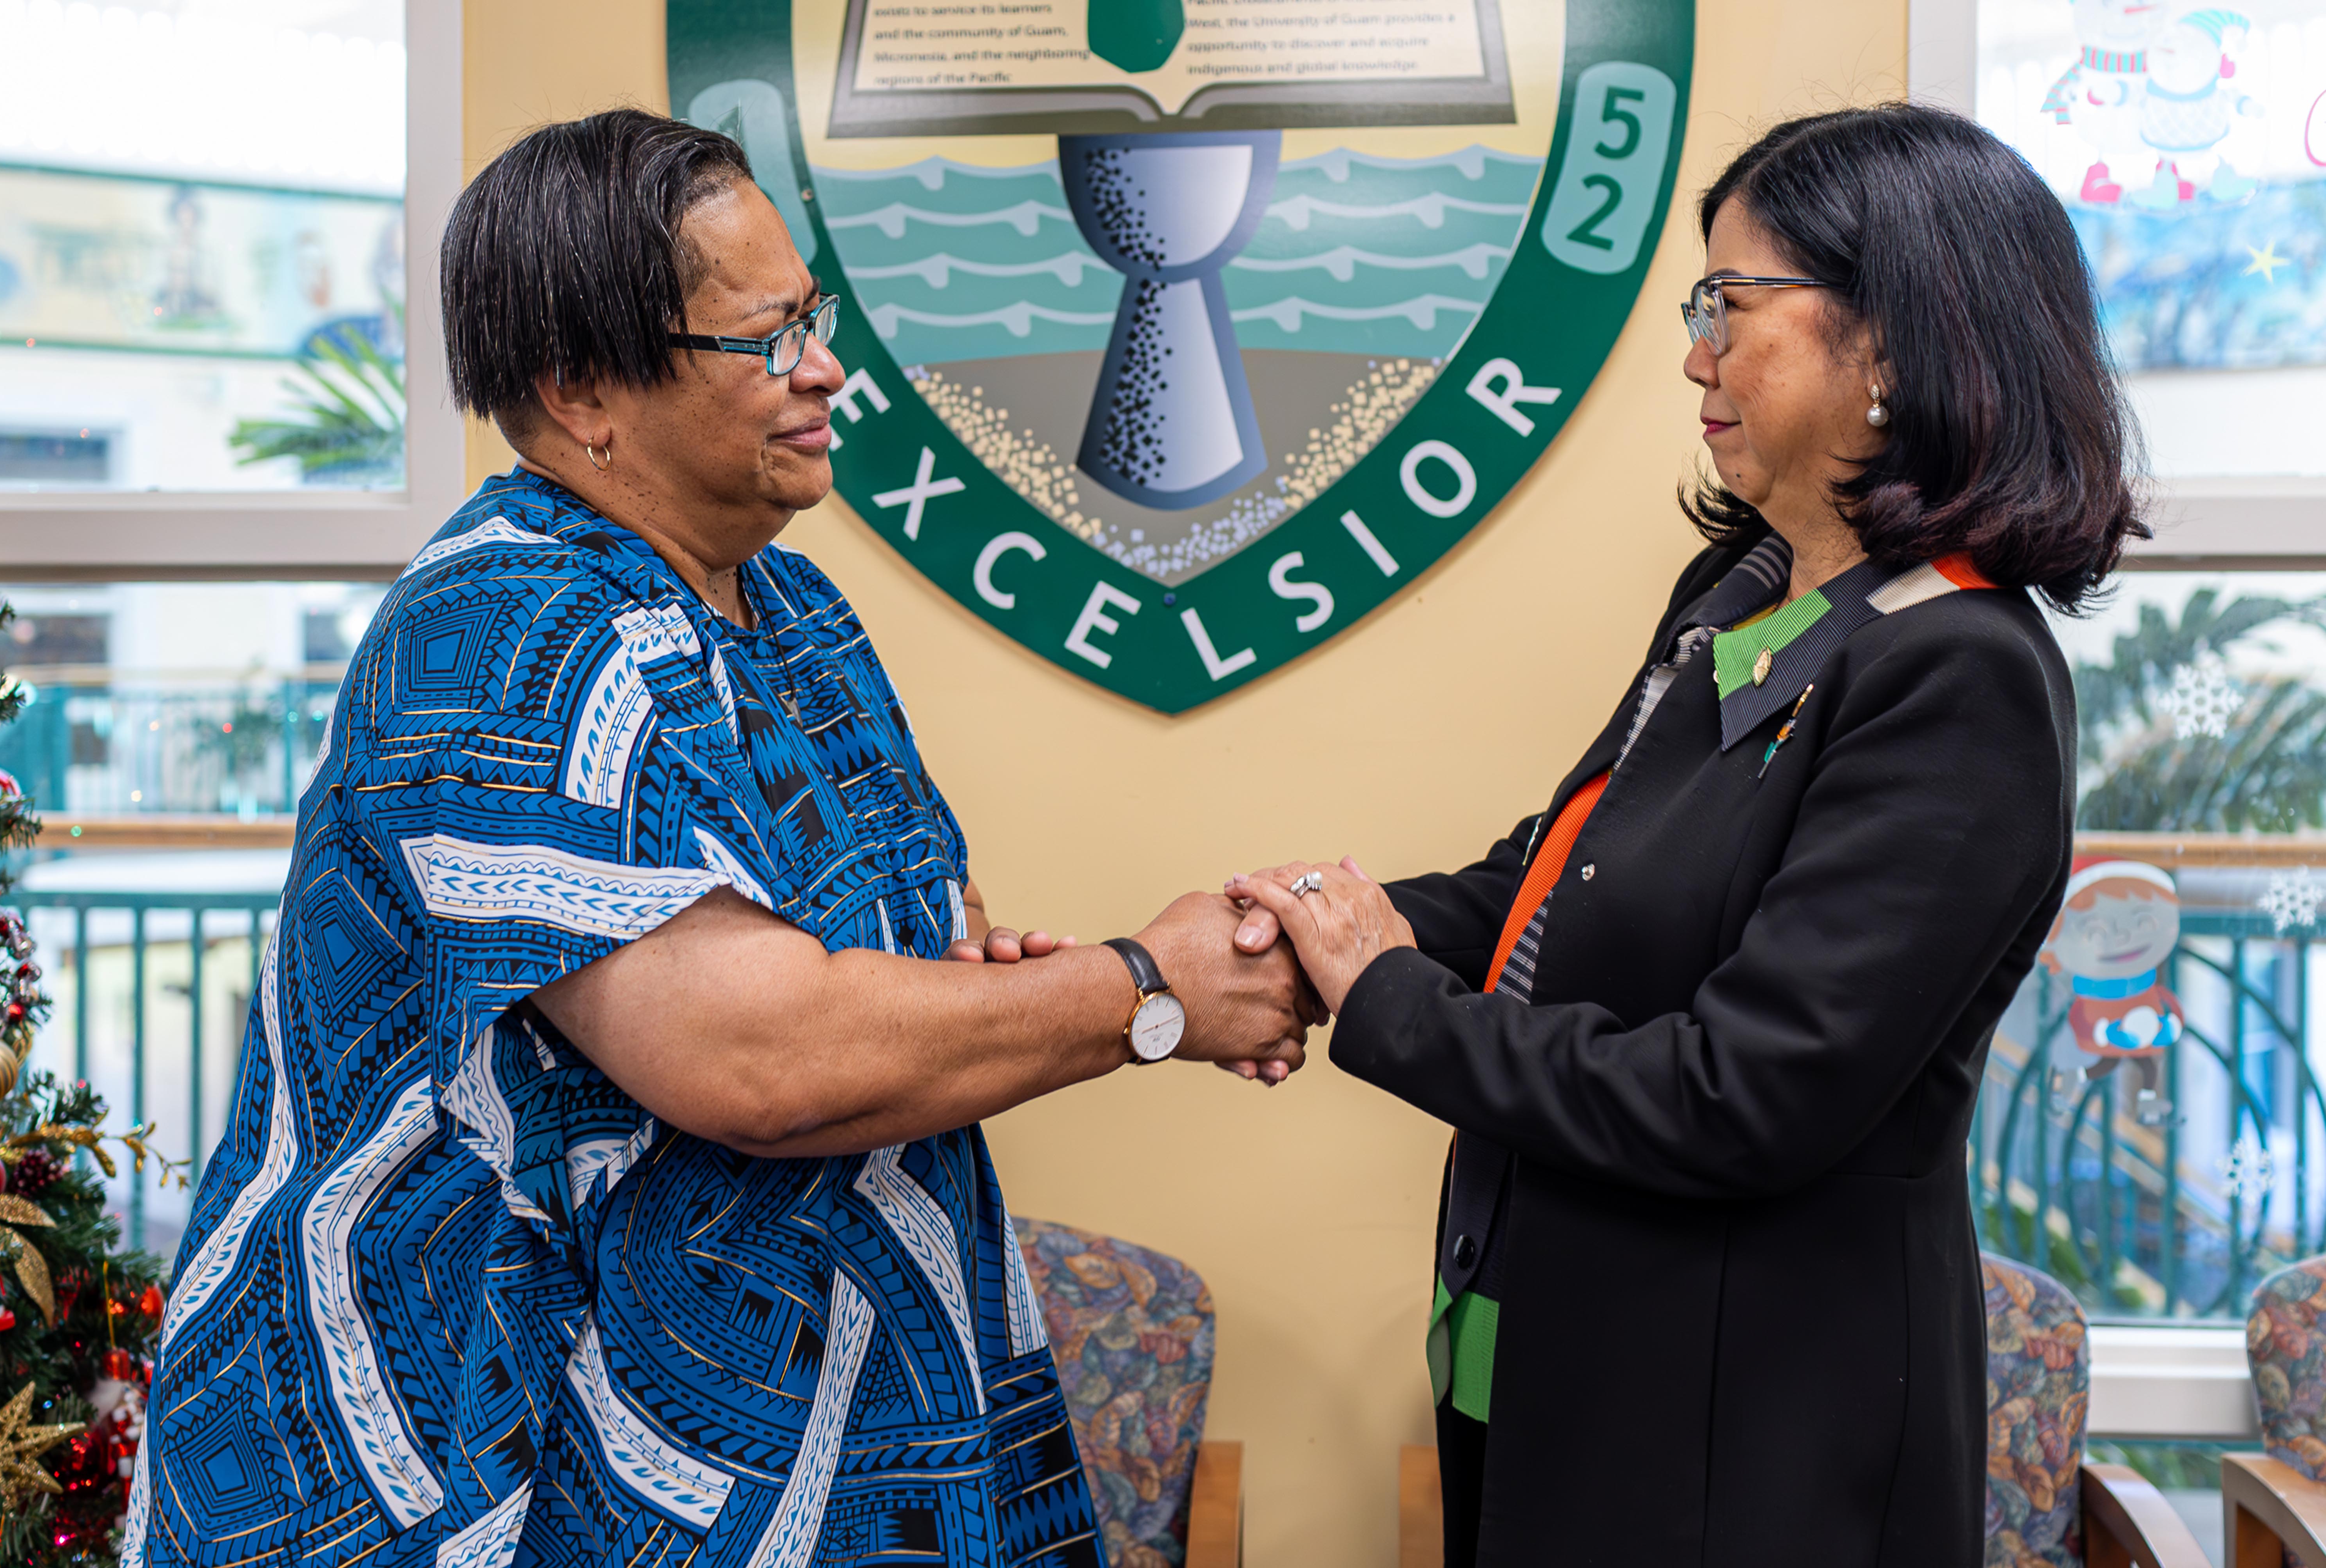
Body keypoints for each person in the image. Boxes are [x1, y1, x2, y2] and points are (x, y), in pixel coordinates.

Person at [128, 109, 1316, 1568]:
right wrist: (1145, 989)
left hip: (806, 1431)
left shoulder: (799, 617)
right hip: (481, 1460)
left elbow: (879, 959)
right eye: (765, 342)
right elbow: (760, 1057)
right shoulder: (494, 629)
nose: (822, 369)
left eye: (811, 320)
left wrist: (978, 984)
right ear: (581, 395)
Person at [1230, 104, 2142, 1566]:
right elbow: (1552, 881)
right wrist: (1282, 937)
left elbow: (1744, 1094)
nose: (1694, 349)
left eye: (1731, 302)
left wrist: (1386, 1002)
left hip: (1751, 1446)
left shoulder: (1959, 672)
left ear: (1893, 344)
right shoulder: (1744, 593)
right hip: (1552, 1371)